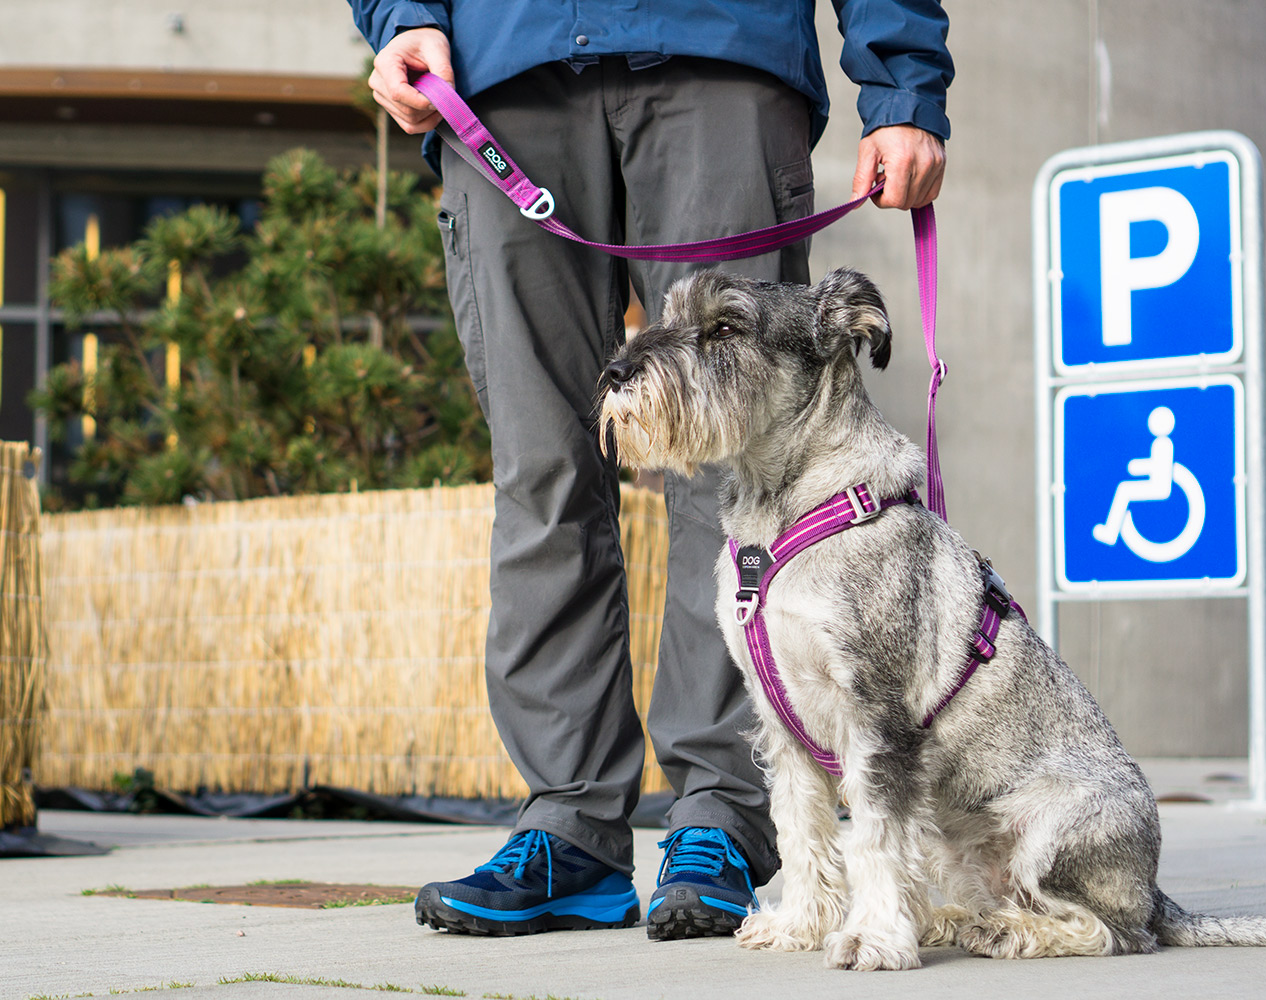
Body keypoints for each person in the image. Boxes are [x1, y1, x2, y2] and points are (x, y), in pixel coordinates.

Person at [348, 0, 953, 940]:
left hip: (720, 52)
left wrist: (902, 83)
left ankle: (718, 813)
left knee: (731, 467)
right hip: (500, 74)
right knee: (543, 471)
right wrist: (399, 15)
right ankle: (570, 823)